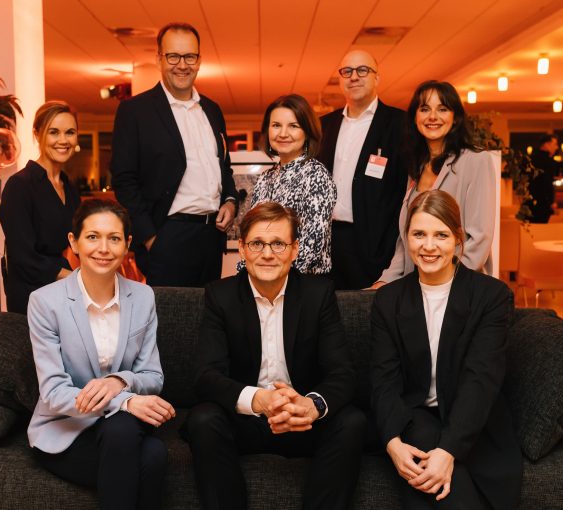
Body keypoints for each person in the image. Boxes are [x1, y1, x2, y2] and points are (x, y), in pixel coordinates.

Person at [183, 201, 366, 510]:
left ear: (294, 250)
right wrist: (259, 401)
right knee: (203, 419)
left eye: (278, 244)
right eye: (257, 243)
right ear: (241, 249)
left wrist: (310, 405)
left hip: (302, 420)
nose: (267, 254)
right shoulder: (220, 296)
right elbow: (206, 375)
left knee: (352, 422)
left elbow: (342, 372)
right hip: (247, 420)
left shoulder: (318, 295)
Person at [370, 189, 522, 510]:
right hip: (415, 420)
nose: (428, 246)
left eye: (440, 235)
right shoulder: (388, 300)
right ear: (407, 238)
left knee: (427, 476)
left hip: (474, 425)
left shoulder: (491, 297)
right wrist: (392, 443)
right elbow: (383, 380)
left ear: (457, 239)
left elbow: (481, 380)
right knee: (420, 444)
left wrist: (448, 452)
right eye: (419, 234)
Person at [27, 199, 175, 510]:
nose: (103, 248)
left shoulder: (144, 297)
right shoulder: (44, 303)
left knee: (129, 435)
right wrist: (125, 398)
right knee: (150, 453)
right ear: (74, 242)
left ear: (127, 245)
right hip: (66, 428)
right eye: (92, 237)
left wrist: (119, 380)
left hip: (121, 431)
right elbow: (54, 392)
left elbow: (153, 377)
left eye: (114, 238)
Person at [111, 22, 238, 287]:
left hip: (212, 236)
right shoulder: (135, 112)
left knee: (209, 320)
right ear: (159, 58)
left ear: (200, 60)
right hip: (168, 237)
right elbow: (124, 180)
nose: (183, 65)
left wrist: (229, 200)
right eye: (173, 56)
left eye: (190, 56)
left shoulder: (212, 110)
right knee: (171, 324)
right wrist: (150, 238)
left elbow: (223, 167)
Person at [373, 80, 496, 287]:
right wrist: (385, 280)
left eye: (442, 109)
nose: (432, 117)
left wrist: (442, 285)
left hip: (460, 287)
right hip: (417, 288)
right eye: (425, 109)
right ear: (415, 117)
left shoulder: (476, 160)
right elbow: (405, 241)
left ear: (455, 118)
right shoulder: (416, 166)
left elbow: (479, 239)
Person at [317, 49, 409, 289]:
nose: (354, 76)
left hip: (374, 245)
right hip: (327, 244)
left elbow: (403, 189)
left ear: (377, 78)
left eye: (362, 70)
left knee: (371, 316)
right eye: (347, 71)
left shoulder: (399, 124)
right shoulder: (325, 126)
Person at [0, 101, 81, 314]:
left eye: (70, 132)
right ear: (37, 134)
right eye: (54, 132)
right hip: (31, 296)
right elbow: (23, 257)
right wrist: (74, 279)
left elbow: (76, 241)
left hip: (62, 291)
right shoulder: (20, 185)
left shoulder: (69, 187)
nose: (63, 140)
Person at [250, 94, 336, 274]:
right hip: (263, 280)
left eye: (293, 126)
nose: (283, 133)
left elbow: (311, 246)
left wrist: (273, 276)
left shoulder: (316, 175)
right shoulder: (265, 179)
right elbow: (252, 237)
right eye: (276, 125)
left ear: (307, 132)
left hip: (301, 284)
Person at [525, 134, 559, 223]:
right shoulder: (548, 161)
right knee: (542, 231)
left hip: (529, 204)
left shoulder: (531, 159)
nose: (556, 147)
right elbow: (547, 183)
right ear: (546, 144)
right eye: (555, 144)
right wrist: (551, 202)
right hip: (543, 205)